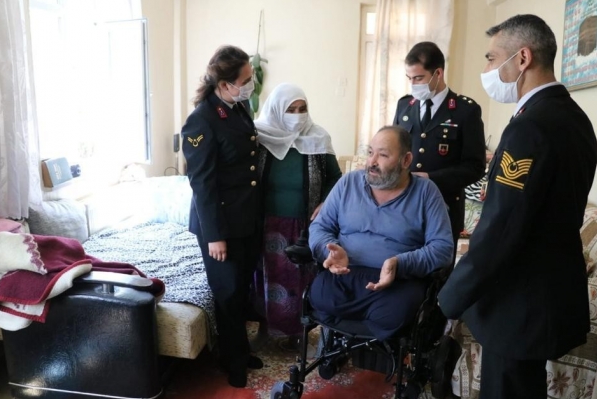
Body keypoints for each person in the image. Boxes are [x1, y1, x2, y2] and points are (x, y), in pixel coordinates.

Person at [437, 15, 597, 399]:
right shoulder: (575, 119)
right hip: (549, 293)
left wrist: (451, 296)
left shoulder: (530, 126)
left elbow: (501, 227)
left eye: (492, 58)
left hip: (519, 302)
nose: (488, 70)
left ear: (522, 58)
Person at [307, 125, 453, 340]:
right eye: (370, 152)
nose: (372, 162)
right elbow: (320, 226)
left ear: (406, 160)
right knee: (319, 295)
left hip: (397, 282)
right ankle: (342, 344)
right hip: (346, 274)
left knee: (395, 312)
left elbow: (442, 248)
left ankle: (368, 349)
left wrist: (400, 263)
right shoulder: (348, 183)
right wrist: (329, 250)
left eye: (383, 155)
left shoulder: (426, 192)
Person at [181, 45, 264, 388]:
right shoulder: (200, 121)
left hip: (245, 218)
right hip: (220, 224)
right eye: (245, 80)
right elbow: (202, 184)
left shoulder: (239, 107)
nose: (251, 84)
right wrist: (215, 236)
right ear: (226, 84)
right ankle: (233, 362)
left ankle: (239, 350)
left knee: (241, 288)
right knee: (227, 293)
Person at [252, 83, 342, 348]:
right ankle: (266, 330)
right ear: (276, 110)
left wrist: (326, 202)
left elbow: (336, 178)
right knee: (266, 279)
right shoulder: (260, 137)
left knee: (299, 280)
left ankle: (298, 334)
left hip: (305, 224)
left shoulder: (318, 138)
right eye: (290, 110)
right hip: (267, 224)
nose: (297, 115)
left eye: (302, 109)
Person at [393, 41, 486, 256]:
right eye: (409, 78)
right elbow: (394, 150)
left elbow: (475, 167)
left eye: (418, 78)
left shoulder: (465, 110)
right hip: (405, 206)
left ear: (438, 73)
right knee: (402, 264)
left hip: (445, 207)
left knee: (439, 269)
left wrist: (431, 178)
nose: (413, 85)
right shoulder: (404, 106)